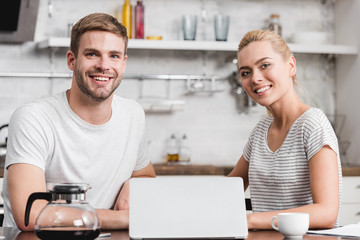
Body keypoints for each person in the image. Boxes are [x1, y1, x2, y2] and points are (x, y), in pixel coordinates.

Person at [3, 12, 156, 231]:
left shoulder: (133, 114)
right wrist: (125, 219)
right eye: (92, 54)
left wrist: (136, 183)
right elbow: (30, 215)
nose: (104, 65)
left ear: (123, 63)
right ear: (72, 60)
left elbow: (145, 174)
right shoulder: (33, 118)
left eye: (114, 56)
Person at [228, 30, 342, 229]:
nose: (255, 78)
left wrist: (249, 220)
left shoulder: (313, 125)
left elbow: (326, 212)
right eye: (246, 72)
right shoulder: (260, 131)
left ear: (291, 66)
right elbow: (229, 190)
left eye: (265, 65)